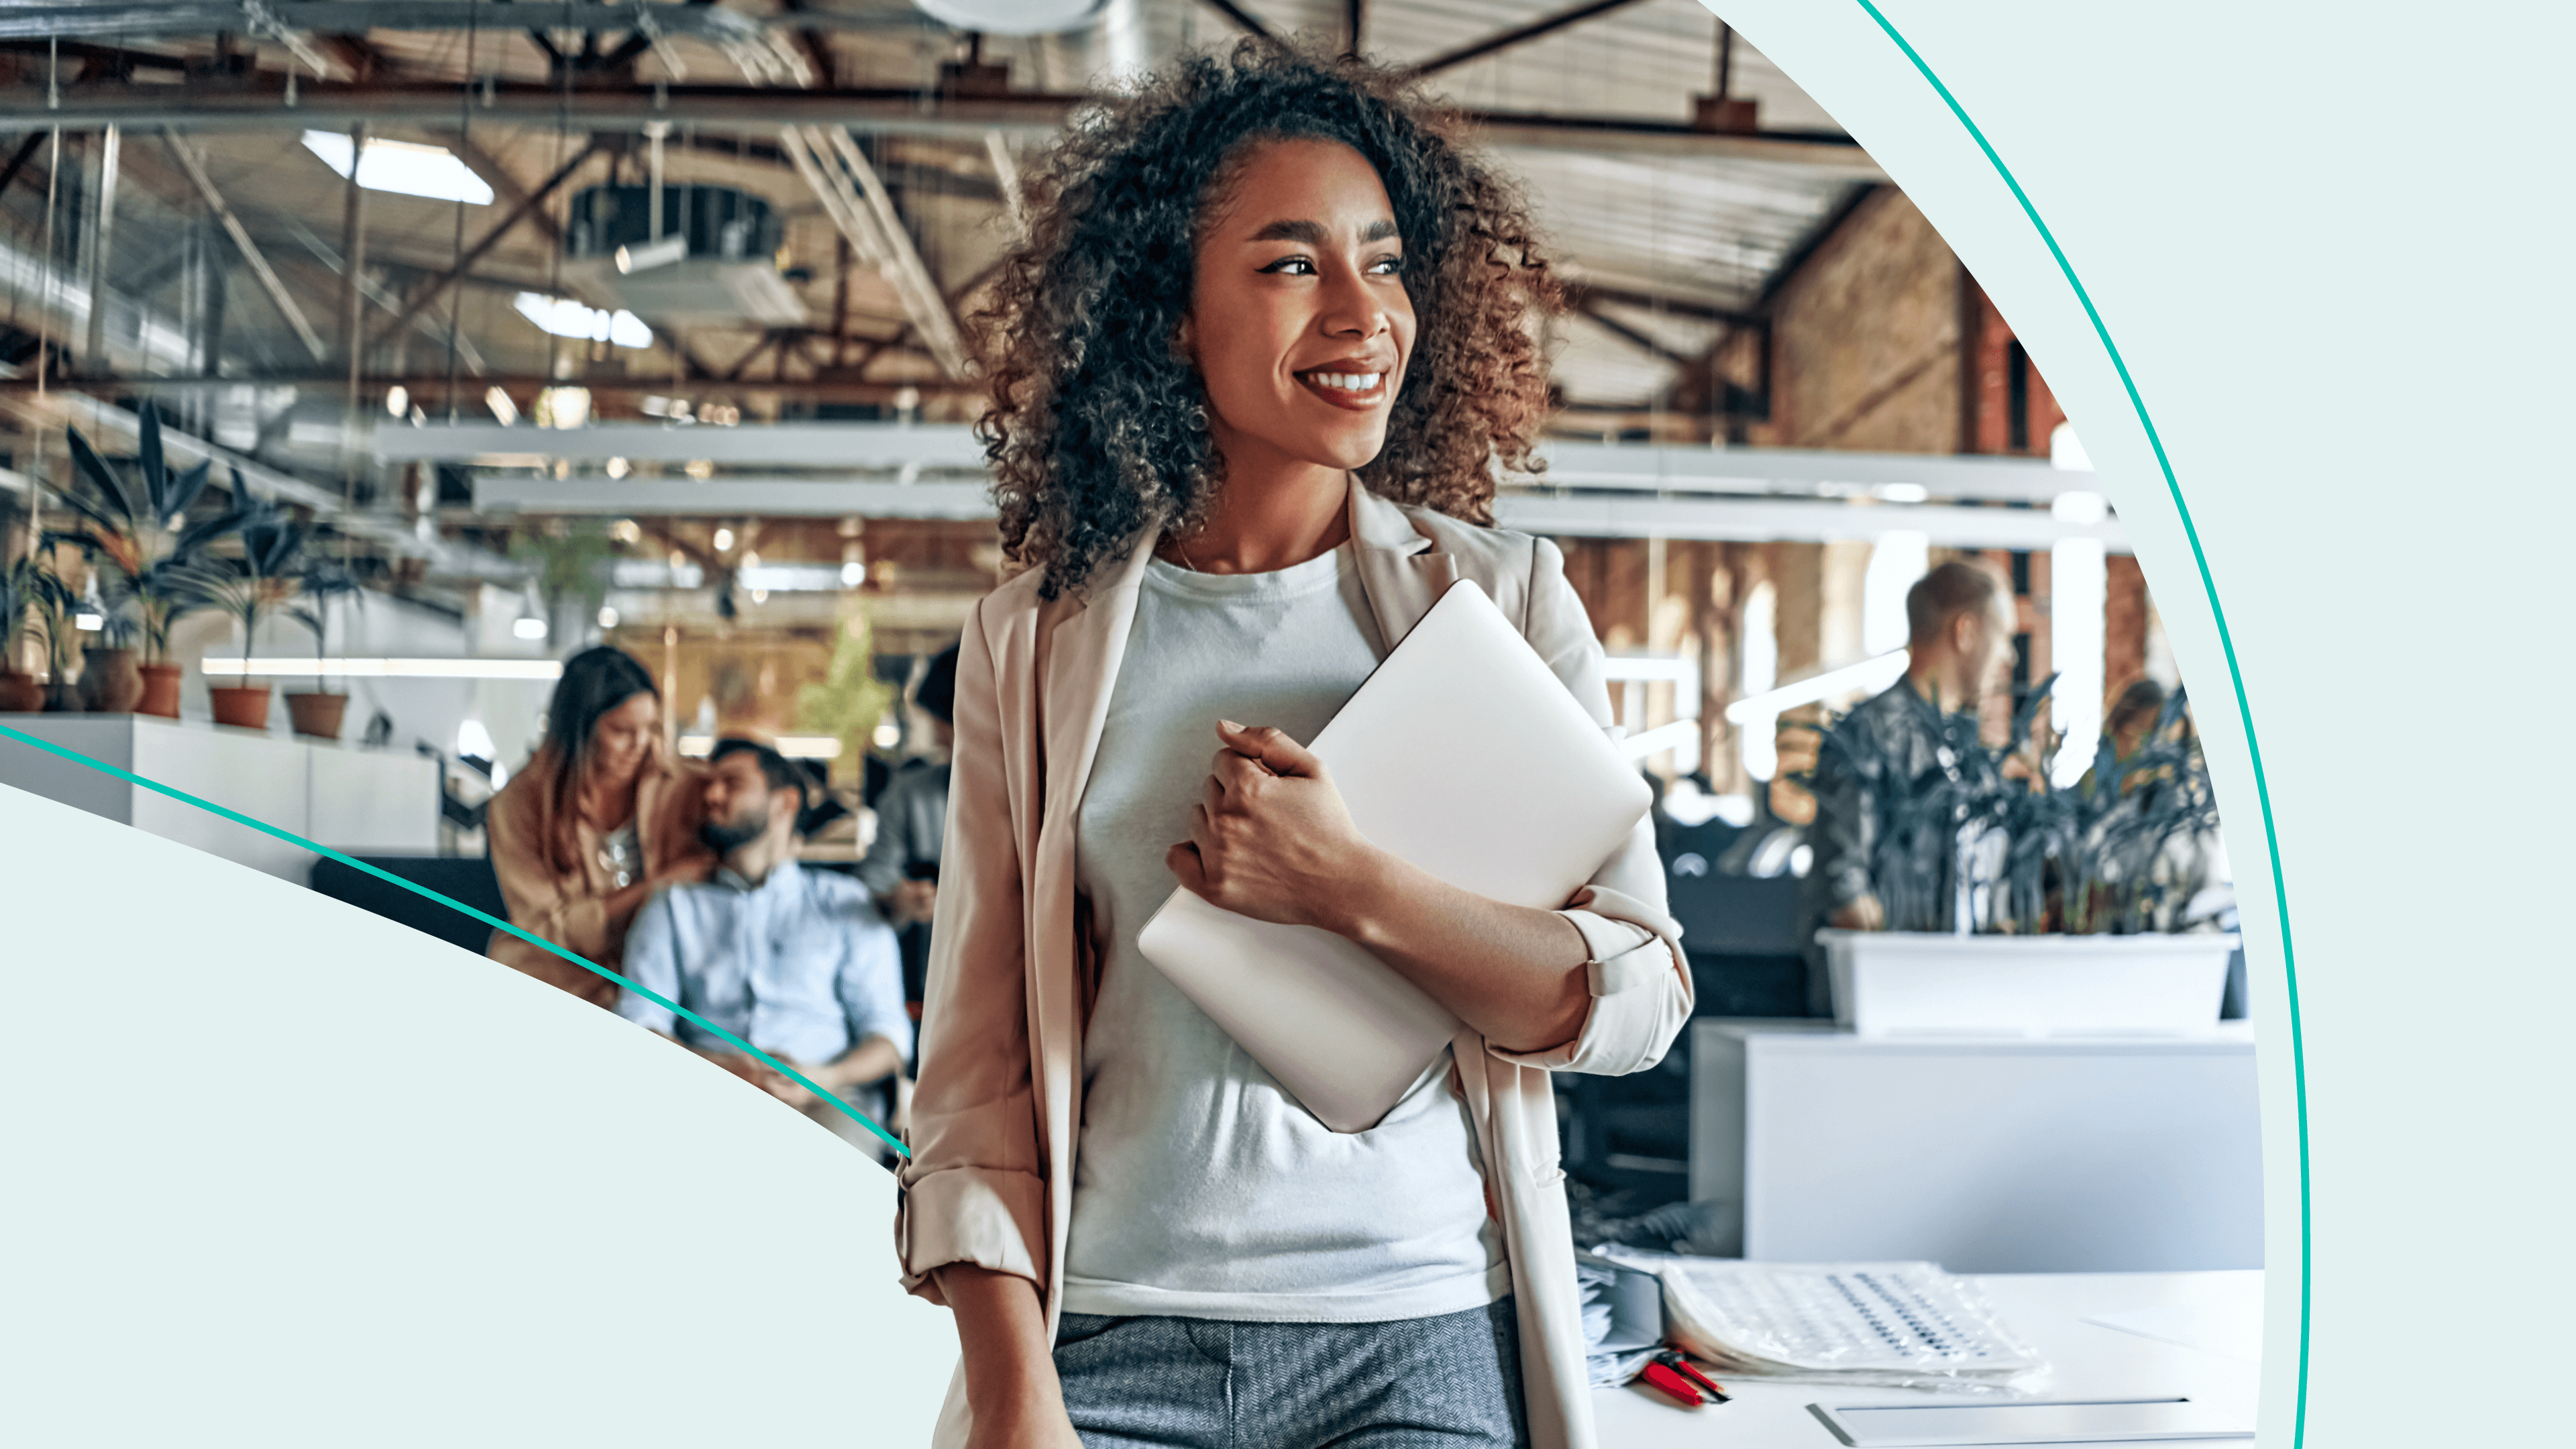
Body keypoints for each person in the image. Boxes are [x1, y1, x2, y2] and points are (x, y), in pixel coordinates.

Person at [899, 42, 1690, 1449]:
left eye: (1385, 265)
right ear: (1168, 317)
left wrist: (1349, 888)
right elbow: (975, 1078)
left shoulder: (1499, 603)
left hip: (1419, 1336)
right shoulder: (1037, 642)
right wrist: (1021, 1399)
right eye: (1290, 266)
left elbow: (1633, 998)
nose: (1362, 313)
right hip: (1116, 1339)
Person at [619, 738, 912, 1156]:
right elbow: (639, 1026)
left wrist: (825, 1077)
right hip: (702, 1097)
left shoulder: (846, 903)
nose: (712, 795)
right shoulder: (671, 907)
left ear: (784, 803)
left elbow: (890, 1037)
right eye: (708, 785)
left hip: (827, 1099)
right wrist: (723, 1069)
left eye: (731, 783)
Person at [1796, 560, 2016, 1012]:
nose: (2010, 656)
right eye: (2004, 636)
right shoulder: (1871, 735)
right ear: (1967, 631)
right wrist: (1908, 980)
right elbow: (1845, 892)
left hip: (1959, 1001)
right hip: (1885, 1009)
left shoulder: (1970, 755)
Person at [485, 646, 714, 1007]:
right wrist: (658, 885)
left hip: (663, 964)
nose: (640, 745)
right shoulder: (519, 805)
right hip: (564, 970)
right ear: (579, 729)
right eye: (622, 731)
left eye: (650, 728)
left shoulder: (683, 785)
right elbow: (545, 931)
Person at [858, 642, 959, 1014]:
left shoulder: (1043, 796)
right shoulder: (911, 794)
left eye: (943, 721)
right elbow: (872, 883)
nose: (936, 734)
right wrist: (899, 899)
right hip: (934, 992)